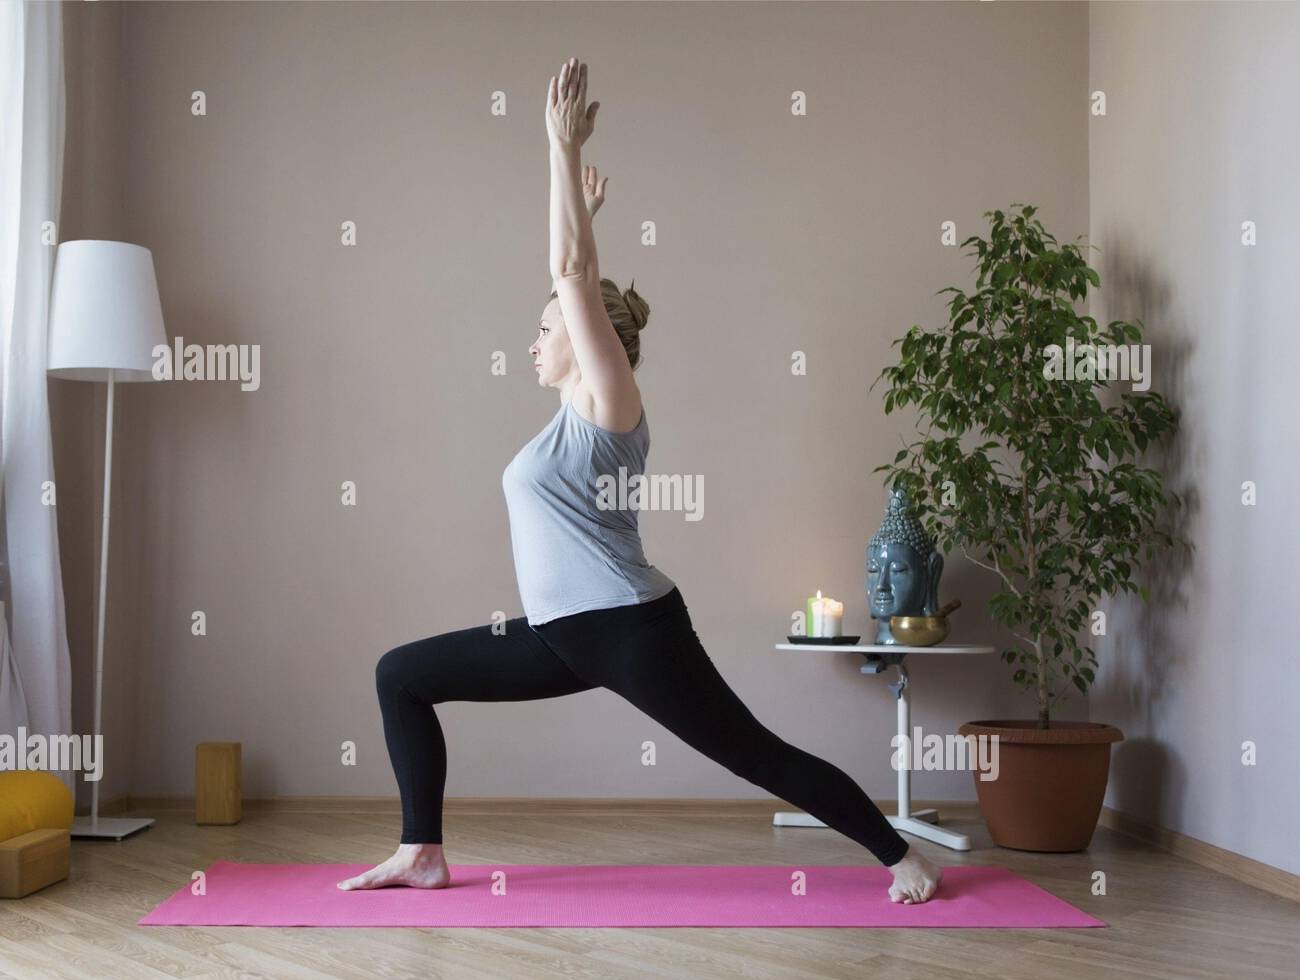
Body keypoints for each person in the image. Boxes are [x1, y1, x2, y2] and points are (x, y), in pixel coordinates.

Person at [339, 57, 942, 904]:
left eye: (546, 328)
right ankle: (422, 851)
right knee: (400, 674)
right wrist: (579, 208)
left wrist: (557, 150)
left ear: (592, 347)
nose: (534, 339)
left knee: (753, 752)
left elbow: (574, 276)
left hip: (627, 628)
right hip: (559, 633)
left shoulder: (611, 401)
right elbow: (573, 275)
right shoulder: (561, 424)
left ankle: (900, 857)